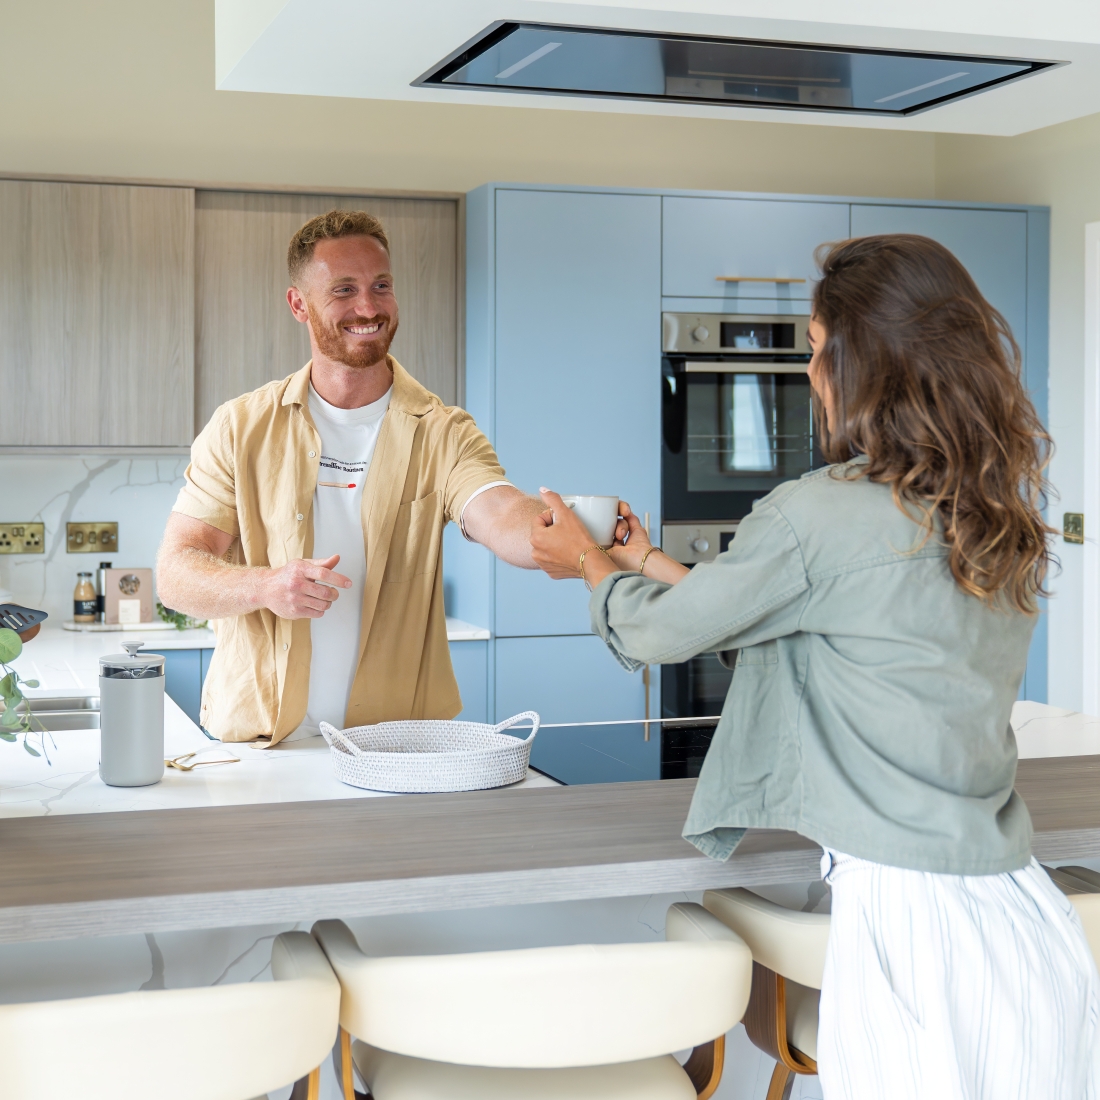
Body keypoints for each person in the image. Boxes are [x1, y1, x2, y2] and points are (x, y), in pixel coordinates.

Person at [530, 234, 1100, 1098]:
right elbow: (812, 613)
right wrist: (644, 561)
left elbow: (657, 636)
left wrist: (587, 563)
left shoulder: (818, 513)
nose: (807, 371)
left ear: (858, 362)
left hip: (913, 936)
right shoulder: (990, 512)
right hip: (1025, 919)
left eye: (813, 346)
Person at [157, 210, 543, 743]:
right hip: (263, 744)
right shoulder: (240, 427)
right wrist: (266, 585)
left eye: (380, 286)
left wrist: (564, 531)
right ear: (300, 304)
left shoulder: (443, 431)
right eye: (344, 290)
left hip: (397, 746)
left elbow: (500, 511)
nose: (368, 307)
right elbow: (175, 573)